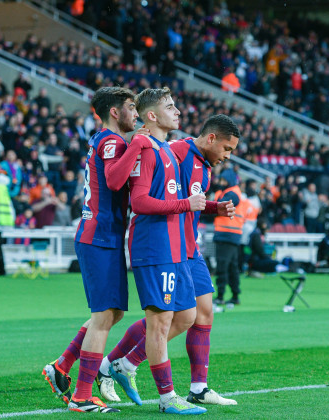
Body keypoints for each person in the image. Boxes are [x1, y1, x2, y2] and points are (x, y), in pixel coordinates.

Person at [100, 114, 240, 409]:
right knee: (164, 317)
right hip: (167, 247)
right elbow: (152, 195)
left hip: (190, 247)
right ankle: (118, 364)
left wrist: (215, 207)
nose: (227, 156)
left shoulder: (205, 165)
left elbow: (189, 203)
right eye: (227, 149)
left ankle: (198, 388)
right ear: (211, 138)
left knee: (202, 315)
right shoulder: (174, 151)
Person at [41, 87, 157, 413]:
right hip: (98, 236)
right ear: (116, 112)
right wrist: (137, 144)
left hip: (104, 236)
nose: (137, 114)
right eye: (132, 108)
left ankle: (62, 366)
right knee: (103, 317)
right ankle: (81, 395)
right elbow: (115, 180)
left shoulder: (106, 140)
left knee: (113, 313)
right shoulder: (112, 141)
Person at [110, 87, 207, 415]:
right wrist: (185, 204)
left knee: (187, 316)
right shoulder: (148, 148)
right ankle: (167, 398)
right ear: (151, 116)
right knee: (160, 322)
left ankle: (124, 364)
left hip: (176, 247)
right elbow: (138, 202)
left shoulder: (165, 148)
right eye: (169, 106)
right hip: (155, 248)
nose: (177, 111)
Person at [213, 170, 244, 305]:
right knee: (232, 267)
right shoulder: (232, 192)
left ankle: (220, 296)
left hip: (226, 234)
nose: (221, 183)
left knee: (222, 266)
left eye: (224, 180)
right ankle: (235, 295)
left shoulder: (231, 193)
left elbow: (220, 207)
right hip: (232, 234)